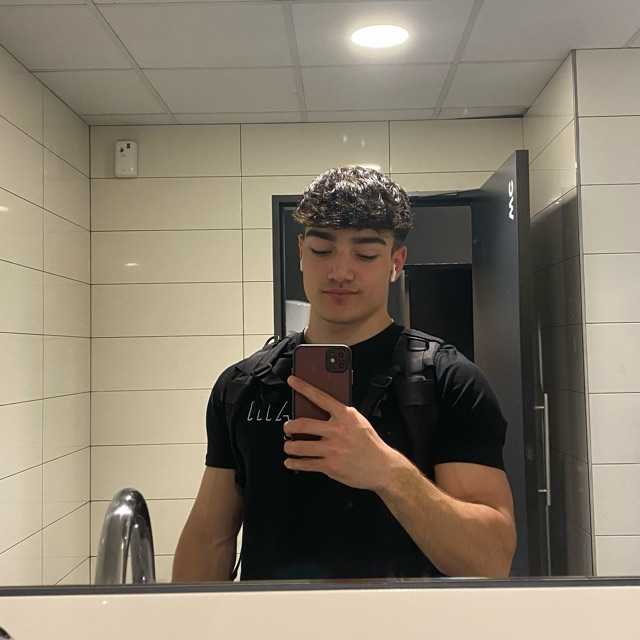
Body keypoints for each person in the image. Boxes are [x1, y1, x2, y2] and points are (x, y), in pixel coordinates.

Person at [172, 166, 517, 582]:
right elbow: (210, 538)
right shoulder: (245, 386)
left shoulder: (448, 381)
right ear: (300, 252)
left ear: (396, 262)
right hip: (272, 617)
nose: (339, 272)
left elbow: (490, 560)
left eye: (366, 254)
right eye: (321, 250)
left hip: (405, 617)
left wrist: (387, 472)